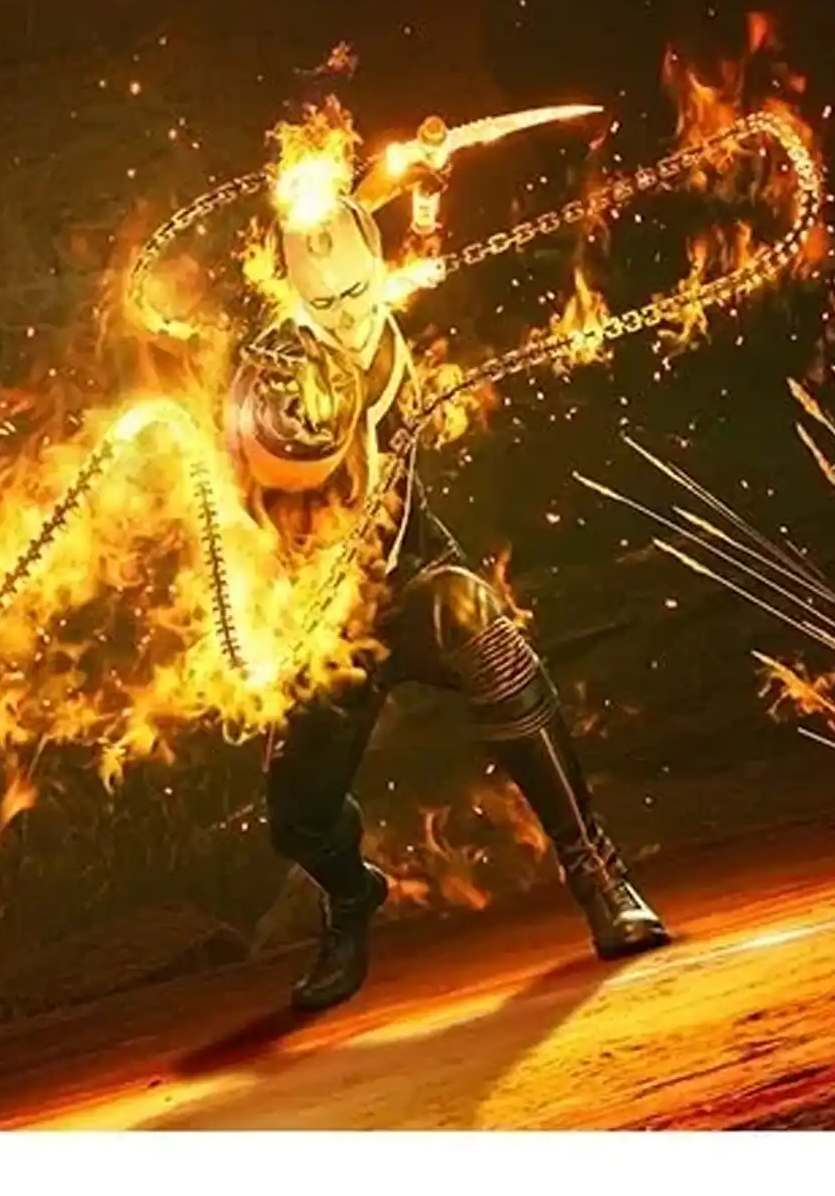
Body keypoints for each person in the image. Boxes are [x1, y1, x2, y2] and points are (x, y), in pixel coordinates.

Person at [225, 188, 669, 1013]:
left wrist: (426, 190)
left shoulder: (404, 323)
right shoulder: (272, 375)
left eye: (357, 290)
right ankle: (351, 896)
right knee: (294, 815)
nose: (346, 312)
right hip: (322, 624)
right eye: (324, 301)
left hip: (415, 583)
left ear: (378, 269)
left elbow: (422, 240)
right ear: (292, 295)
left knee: (478, 623)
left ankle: (599, 874)